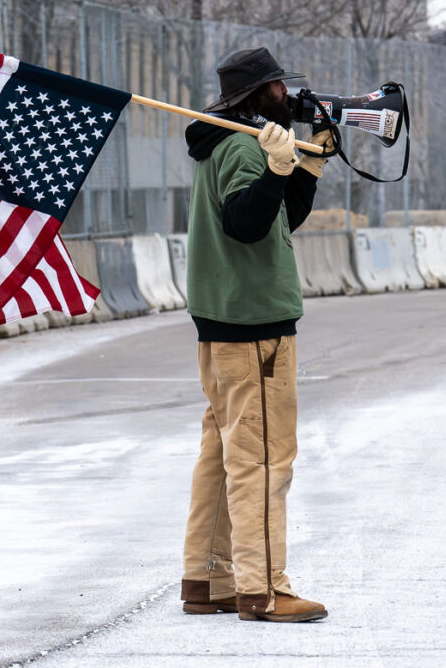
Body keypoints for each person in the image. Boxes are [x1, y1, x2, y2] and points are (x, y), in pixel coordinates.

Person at [178, 47, 332, 623]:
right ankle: (263, 589)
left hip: (223, 322)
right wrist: (273, 168)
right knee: (264, 460)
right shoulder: (245, 144)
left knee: (222, 454)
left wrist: (306, 168)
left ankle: (210, 577)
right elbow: (244, 225)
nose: (287, 98)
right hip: (253, 327)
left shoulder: (224, 142)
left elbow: (276, 220)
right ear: (259, 92)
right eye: (278, 89)